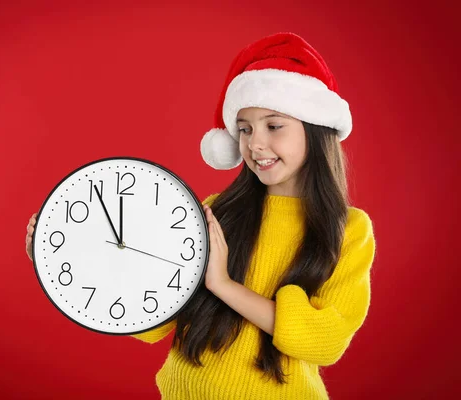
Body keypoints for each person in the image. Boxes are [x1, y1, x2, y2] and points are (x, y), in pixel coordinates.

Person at [25, 32, 376, 399]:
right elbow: (153, 320)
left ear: (316, 130)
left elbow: (326, 341)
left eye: (274, 126)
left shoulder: (349, 230)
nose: (255, 143)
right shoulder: (215, 210)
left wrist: (223, 284)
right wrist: (60, 259)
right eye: (244, 129)